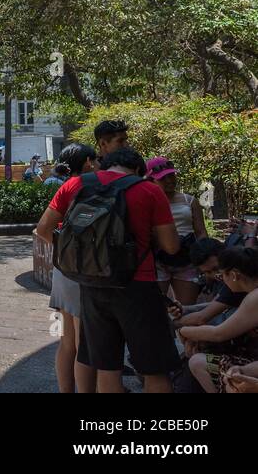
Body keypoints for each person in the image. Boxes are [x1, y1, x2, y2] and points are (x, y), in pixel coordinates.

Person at [35, 146, 180, 394]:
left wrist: (77, 259)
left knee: (106, 367)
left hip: (92, 286)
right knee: (154, 369)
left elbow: (43, 229)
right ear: (137, 169)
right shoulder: (148, 190)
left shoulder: (75, 185)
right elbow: (171, 246)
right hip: (138, 287)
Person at [38, 143, 98, 393]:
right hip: (87, 273)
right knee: (86, 343)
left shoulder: (66, 186)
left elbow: (43, 230)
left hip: (64, 272)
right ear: (87, 162)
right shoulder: (91, 185)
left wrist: (66, 253)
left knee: (67, 342)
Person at [180, 247, 258, 393]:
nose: (221, 280)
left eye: (222, 275)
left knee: (198, 362)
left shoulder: (254, 297)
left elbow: (218, 333)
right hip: (251, 362)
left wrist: (183, 331)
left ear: (234, 275)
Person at [143, 156, 207, 305]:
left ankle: (184, 329)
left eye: (171, 175)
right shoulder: (147, 202)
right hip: (158, 260)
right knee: (155, 307)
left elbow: (200, 231)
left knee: (187, 308)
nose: (169, 180)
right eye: (163, 178)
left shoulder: (189, 200)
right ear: (152, 180)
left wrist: (203, 257)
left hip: (187, 259)